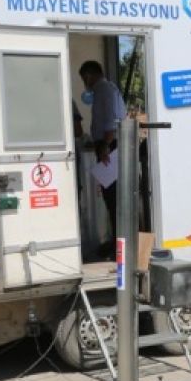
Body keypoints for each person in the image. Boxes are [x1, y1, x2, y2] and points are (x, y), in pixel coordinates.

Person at [79, 60, 126, 250]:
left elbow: (110, 121)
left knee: (114, 199)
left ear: (89, 75)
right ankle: (117, 241)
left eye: (84, 78)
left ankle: (121, 245)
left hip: (109, 146)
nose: (84, 82)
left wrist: (105, 145)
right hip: (107, 145)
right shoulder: (107, 89)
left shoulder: (103, 90)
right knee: (110, 198)